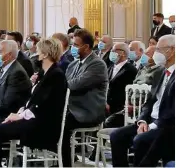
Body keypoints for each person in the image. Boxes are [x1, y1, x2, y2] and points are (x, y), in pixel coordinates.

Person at [0, 38, 68, 168]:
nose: (36, 52)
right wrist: (18, 113)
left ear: (45, 54)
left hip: (43, 124)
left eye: (39, 50)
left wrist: (20, 116)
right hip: (33, 119)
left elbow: (44, 104)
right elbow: (31, 100)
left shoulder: (56, 74)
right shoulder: (43, 73)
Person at [110, 34, 175, 167]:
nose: (156, 53)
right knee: (117, 136)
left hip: (166, 126)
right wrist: (142, 121)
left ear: (172, 50)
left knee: (140, 140)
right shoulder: (161, 72)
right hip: (150, 121)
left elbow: (172, 111)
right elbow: (150, 102)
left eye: (159, 49)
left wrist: (152, 125)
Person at [61, 29, 108, 167]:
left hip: (88, 110)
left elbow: (74, 85)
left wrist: (56, 86)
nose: (72, 48)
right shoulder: (73, 64)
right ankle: (57, 159)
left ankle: (66, 163)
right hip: (72, 108)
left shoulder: (97, 64)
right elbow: (64, 84)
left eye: (75, 45)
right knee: (49, 117)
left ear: (86, 47)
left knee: (61, 123)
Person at [104, 42, 138, 128]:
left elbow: (126, 92)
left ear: (122, 53)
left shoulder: (130, 70)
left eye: (114, 50)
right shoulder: (110, 67)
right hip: (106, 105)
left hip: (119, 108)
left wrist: (110, 105)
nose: (111, 52)